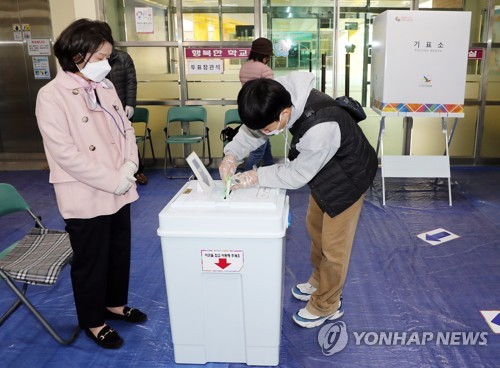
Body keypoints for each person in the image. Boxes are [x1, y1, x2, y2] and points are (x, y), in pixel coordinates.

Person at [219, 72, 378, 328]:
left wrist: (255, 175)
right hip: (323, 168)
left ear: (284, 114)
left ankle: (327, 304)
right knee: (316, 228)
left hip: (349, 177)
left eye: (268, 129)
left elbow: (296, 175)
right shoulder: (276, 95)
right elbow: (253, 132)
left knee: (334, 247)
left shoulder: (321, 129)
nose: (264, 133)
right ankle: (318, 279)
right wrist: (232, 155)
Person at [35, 18, 147, 349]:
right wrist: (112, 179)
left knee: (117, 251)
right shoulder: (51, 96)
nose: (106, 65)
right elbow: (66, 154)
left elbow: (125, 127)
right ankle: (93, 321)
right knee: (91, 260)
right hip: (86, 191)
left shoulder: (106, 86)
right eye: (100, 58)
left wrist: (130, 162)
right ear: (78, 54)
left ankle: (113, 304)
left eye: (107, 58)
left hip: (119, 185)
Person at [107, 46, 148, 185]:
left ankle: (137, 170)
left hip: (122, 106)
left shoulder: (123, 58)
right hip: (102, 107)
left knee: (128, 138)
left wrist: (130, 103)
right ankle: (114, 169)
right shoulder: (93, 60)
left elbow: (131, 82)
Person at [239, 37, 275, 171]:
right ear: (265, 56)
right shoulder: (265, 70)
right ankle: (241, 176)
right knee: (257, 149)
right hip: (261, 112)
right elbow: (270, 94)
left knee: (264, 141)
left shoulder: (244, 67)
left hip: (247, 109)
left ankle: (270, 167)